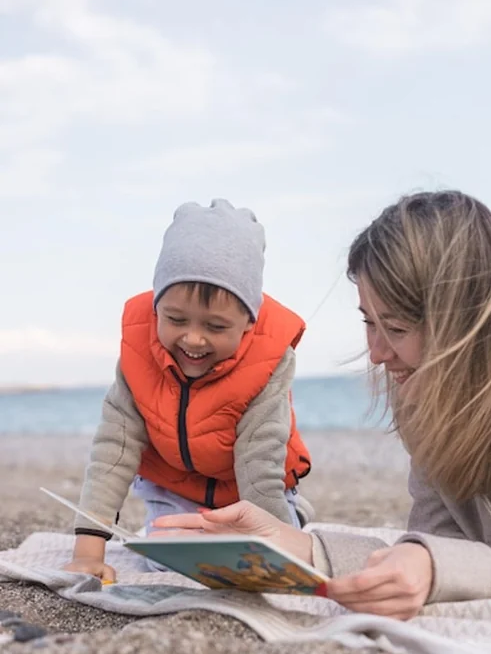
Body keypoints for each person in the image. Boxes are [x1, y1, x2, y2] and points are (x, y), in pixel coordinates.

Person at [151, 190, 491, 620]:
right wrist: (293, 548)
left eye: (396, 327)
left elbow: (445, 563)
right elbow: (437, 549)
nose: (377, 353)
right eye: (370, 322)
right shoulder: (425, 402)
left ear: (468, 322)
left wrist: (436, 565)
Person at [64, 199, 312, 582]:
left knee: (256, 561)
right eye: (176, 319)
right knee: (169, 559)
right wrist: (88, 551)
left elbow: (259, 461)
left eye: (215, 327)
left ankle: (292, 517)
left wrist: (278, 547)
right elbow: (114, 451)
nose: (193, 339)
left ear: (249, 322)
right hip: (175, 489)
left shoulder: (269, 363)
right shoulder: (137, 354)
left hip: (250, 495)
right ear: (156, 308)